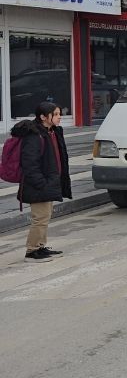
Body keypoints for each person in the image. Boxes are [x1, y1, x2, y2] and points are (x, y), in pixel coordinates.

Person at [14, 102, 70, 263]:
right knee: (40, 218)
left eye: (60, 114)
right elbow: (29, 164)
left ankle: (40, 246)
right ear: (44, 117)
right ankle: (32, 251)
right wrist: (42, 183)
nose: (60, 117)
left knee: (45, 216)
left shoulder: (53, 131)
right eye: (57, 114)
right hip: (38, 184)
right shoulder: (34, 135)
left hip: (49, 182)